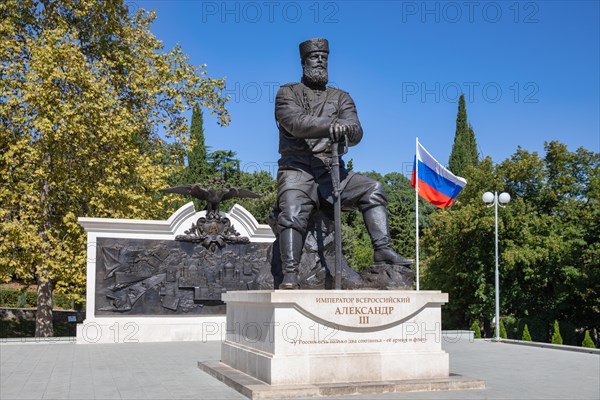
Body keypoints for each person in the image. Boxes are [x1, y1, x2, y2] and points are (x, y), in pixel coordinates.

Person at [274, 38, 413, 290]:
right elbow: (294, 123)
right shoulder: (287, 93)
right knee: (292, 214)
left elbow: (356, 131)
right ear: (303, 62)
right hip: (297, 169)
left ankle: (382, 251)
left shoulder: (341, 97)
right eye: (314, 57)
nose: (320, 61)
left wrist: (350, 130)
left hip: (332, 171)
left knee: (373, 189)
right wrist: (331, 126)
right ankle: (291, 273)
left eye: (324, 58)